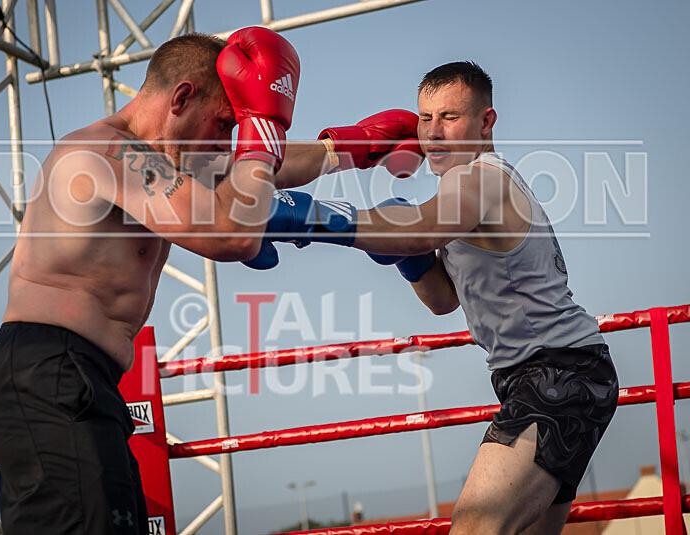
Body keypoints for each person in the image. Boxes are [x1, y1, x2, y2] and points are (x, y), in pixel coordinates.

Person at [245, 61, 618, 534]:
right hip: (551, 376)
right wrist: (413, 262)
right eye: (425, 118)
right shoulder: (459, 190)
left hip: (557, 376)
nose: (433, 133)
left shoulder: (481, 179)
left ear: (487, 122)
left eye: (449, 117)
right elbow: (444, 299)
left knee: (472, 529)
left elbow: (420, 228)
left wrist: (318, 219)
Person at [0, 27, 314, 534]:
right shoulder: (110, 152)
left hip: (76, 376)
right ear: (181, 97)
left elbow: (262, 167)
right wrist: (261, 132)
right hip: (51, 371)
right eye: (224, 123)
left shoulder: (165, 161)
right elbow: (231, 234)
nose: (226, 142)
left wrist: (349, 147)